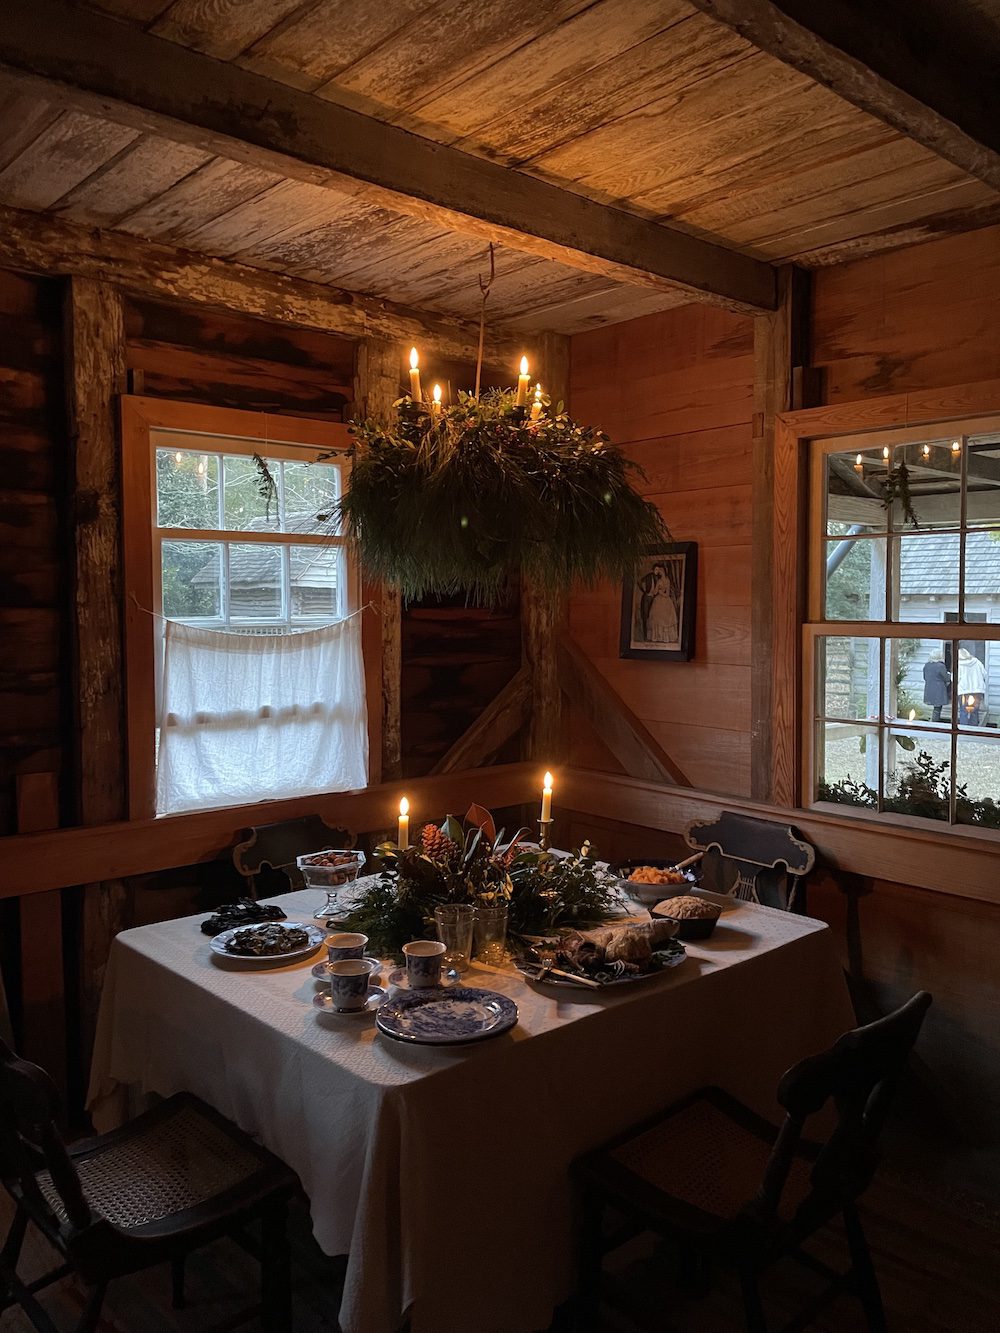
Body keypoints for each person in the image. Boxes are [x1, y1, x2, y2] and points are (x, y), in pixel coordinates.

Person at [957, 647, 987, 725]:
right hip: (977, 690)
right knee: (975, 711)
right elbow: (984, 674)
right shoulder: (977, 662)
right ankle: (974, 729)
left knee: (964, 711)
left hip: (964, 691)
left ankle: (963, 729)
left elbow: (955, 678)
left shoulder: (959, 664)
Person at [922, 652, 950, 723]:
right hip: (939, 689)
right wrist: (950, 675)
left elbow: (925, 677)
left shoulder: (927, 665)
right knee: (938, 707)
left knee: (935, 706)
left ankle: (933, 721)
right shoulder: (940, 666)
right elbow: (946, 678)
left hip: (929, 687)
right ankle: (934, 723)